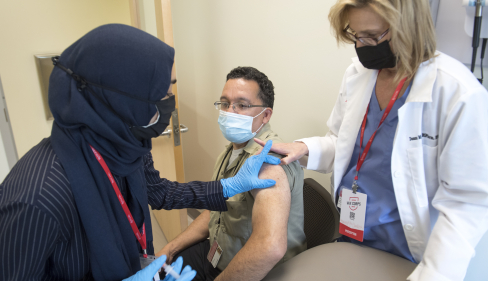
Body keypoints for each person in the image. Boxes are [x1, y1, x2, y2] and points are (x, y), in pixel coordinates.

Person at [0, 24, 281, 281]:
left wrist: (226, 188)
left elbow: (156, 192)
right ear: (122, 98)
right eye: (163, 93)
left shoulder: (125, 143)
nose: (170, 104)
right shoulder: (37, 199)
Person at [255, 1, 488, 280]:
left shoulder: (456, 91)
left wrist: (433, 275)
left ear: (409, 28)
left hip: (412, 253)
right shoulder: (358, 75)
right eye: (356, 35)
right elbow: (343, 143)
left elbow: (468, 202)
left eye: (372, 36)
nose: (362, 46)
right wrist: (305, 147)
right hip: (352, 234)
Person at [156, 67, 307, 281]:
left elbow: (269, 246)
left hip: (258, 272)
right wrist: (170, 248)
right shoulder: (232, 150)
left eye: (242, 105)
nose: (229, 111)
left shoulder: (269, 162)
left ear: (265, 115)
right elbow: (216, 210)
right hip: (219, 251)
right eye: (225, 103)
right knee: (161, 273)